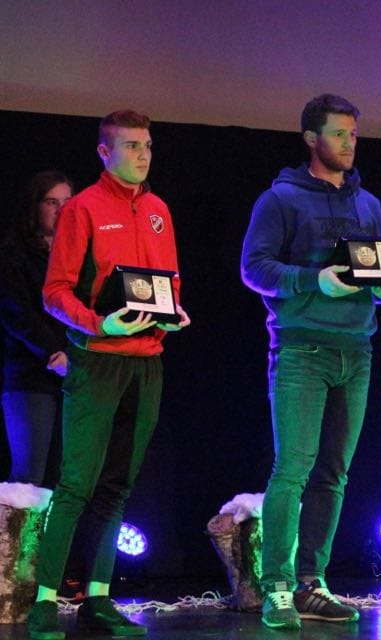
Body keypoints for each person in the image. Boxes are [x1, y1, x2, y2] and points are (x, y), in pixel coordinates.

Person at [240, 93, 381, 631]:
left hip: (356, 349)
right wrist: (314, 281)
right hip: (302, 348)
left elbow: (371, 267)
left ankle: (312, 583)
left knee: (333, 474)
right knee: (293, 469)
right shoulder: (280, 199)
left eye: (353, 134)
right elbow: (254, 268)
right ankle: (277, 587)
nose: (349, 143)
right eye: (338, 134)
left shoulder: (368, 204)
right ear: (312, 139)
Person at [27, 109, 191, 640]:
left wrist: (172, 312)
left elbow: (167, 282)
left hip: (147, 362)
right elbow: (55, 292)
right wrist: (100, 324)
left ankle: (98, 597)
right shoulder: (83, 209)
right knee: (77, 482)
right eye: (131, 146)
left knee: (118, 485)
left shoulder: (159, 210)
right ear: (104, 151)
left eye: (148, 145)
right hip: (97, 359)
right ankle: (45, 600)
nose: (143, 155)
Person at [0, 171, 72, 488]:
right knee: (28, 480)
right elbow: (17, 313)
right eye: (52, 202)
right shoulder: (13, 256)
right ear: (35, 206)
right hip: (31, 377)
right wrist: (53, 352)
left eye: (67, 202)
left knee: (66, 479)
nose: (61, 210)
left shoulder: (79, 256)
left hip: (75, 377)